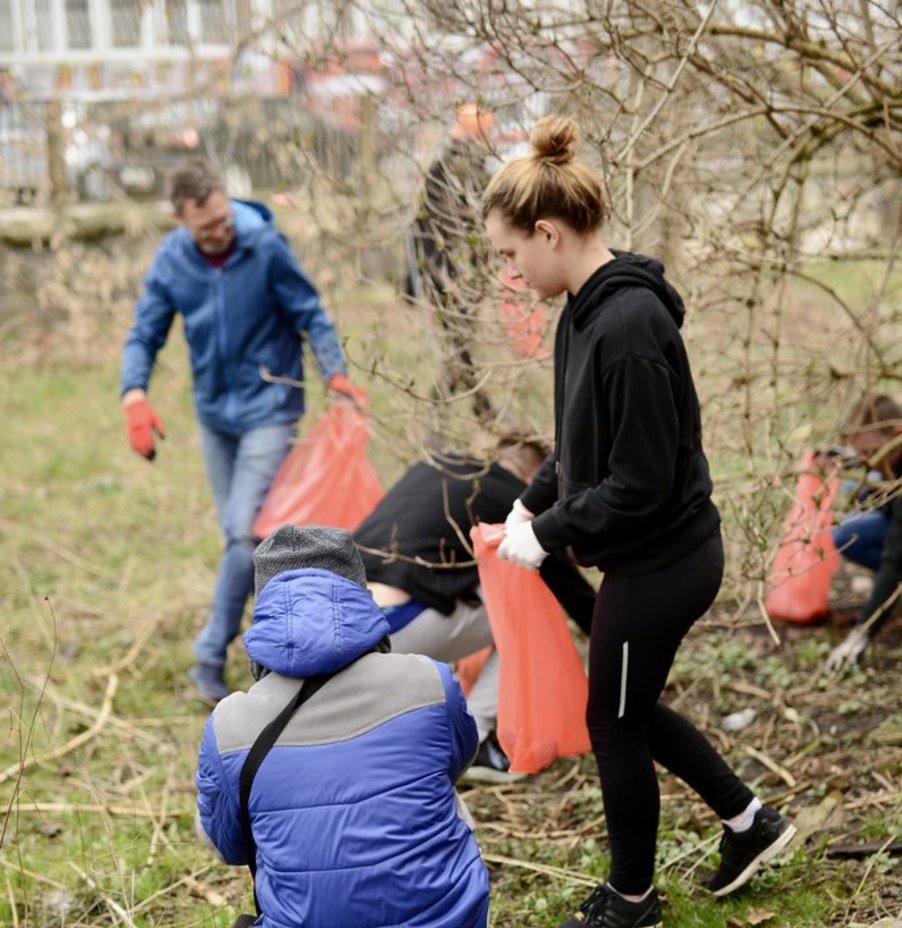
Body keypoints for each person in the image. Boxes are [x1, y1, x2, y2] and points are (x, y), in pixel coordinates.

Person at [481, 116, 796, 928]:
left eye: (512, 254)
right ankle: (749, 819)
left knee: (611, 719)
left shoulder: (627, 331)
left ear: (549, 232)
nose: (510, 273)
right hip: (641, 552)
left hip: (666, 561)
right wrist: (530, 501)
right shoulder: (581, 312)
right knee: (627, 701)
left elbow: (641, 481)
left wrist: (549, 531)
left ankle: (630, 900)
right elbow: (581, 442)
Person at [195, 524, 490, 928]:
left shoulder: (230, 722)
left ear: (264, 609)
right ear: (358, 590)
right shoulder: (428, 680)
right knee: (439, 794)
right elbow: (459, 758)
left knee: (272, 837)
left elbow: (228, 847)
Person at [120, 156, 361, 706]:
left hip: (270, 406)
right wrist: (134, 392)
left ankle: (209, 656)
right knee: (248, 541)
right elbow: (144, 333)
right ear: (181, 220)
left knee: (243, 534)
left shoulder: (264, 246)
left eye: (222, 217)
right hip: (215, 416)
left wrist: (336, 372)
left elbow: (311, 313)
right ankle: (278, 651)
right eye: (205, 226)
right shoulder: (173, 260)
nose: (219, 230)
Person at [354, 432, 597, 782]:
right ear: (534, 480)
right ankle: (476, 740)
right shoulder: (512, 499)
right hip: (394, 628)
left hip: (344, 621)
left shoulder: (436, 465)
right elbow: (572, 591)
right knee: (530, 599)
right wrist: (618, 645)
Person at [826, 394, 902, 669]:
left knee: (852, 536)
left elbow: (899, 554)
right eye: (862, 453)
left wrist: (861, 633)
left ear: (897, 432)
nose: (870, 462)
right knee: (851, 516)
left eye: (872, 453)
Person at [410, 102, 496, 424]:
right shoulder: (454, 172)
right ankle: (481, 411)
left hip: (460, 277)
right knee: (459, 346)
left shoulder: (454, 170)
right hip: (453, 278)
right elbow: (428, 229)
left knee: (458, 346)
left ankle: (448, 409)